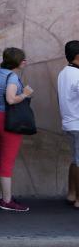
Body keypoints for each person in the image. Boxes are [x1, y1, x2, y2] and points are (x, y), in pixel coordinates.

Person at [0, 47, 33, 212]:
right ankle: (7, 201)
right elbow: (11, 99)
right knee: (7, 161)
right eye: (23, 59)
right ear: (16, 62)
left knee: (0, 157)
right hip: (9, 120)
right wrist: (25, 93)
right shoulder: (13, 77)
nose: (25, 62)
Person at [58, 40, 79, 209]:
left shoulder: (63, 72)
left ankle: (72, 194)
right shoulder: (77, 75)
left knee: (76, 159)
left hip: (69, 122)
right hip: (78, 123)